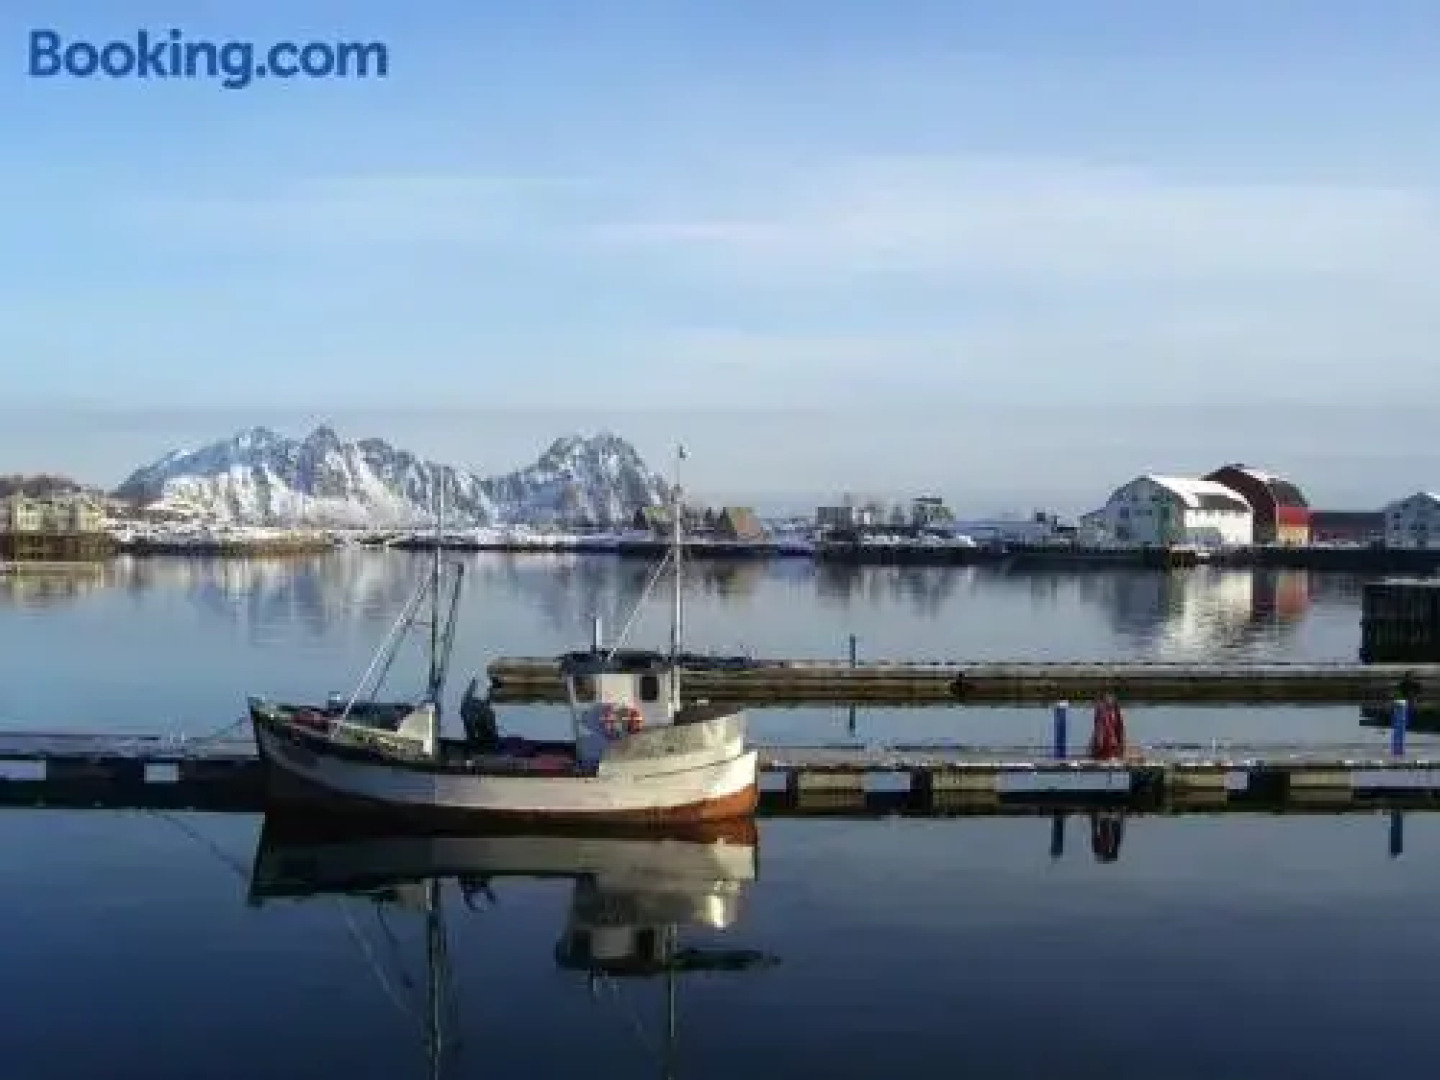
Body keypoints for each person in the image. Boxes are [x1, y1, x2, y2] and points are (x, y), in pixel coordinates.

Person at [460, 676, 501, 751]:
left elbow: (485, 704)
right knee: (471, 732)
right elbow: (482, 705)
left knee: (473, 732)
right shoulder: (482, 685)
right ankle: (472, 750)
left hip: (470, 708)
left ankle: (475, 748)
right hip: (469, 708)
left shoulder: (485, 688)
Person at [1089, 692, 1126, 761]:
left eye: (1110, 699)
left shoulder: (1116, 712)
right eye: (1107, 699)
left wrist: (1121, 742)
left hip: (1111, 743)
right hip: (1106, 744)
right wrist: (1099, 739)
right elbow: (1099, 727)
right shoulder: (1101, 711)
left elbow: (1120, 728)